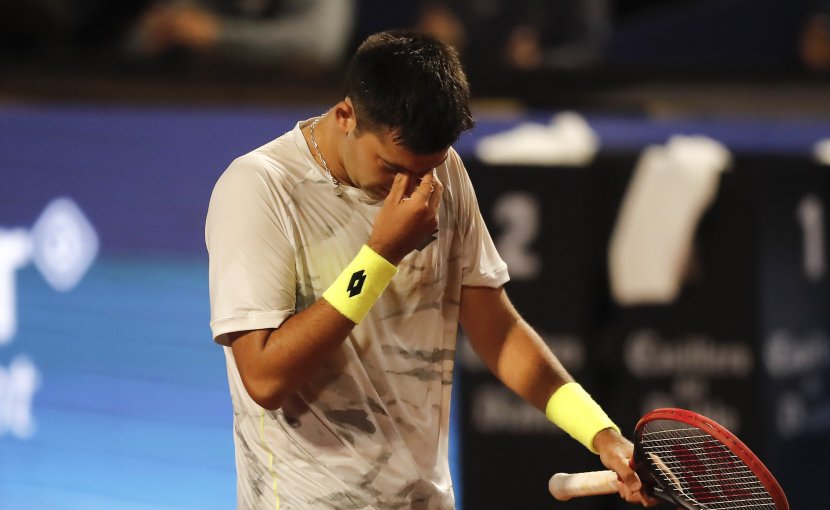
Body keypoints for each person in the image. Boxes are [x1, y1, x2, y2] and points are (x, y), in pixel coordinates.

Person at [205, 30, 652, 509]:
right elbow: (266, 380)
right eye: (392, 167)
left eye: (428, 169)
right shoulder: (258, 190)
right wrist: (380, 256)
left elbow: (497, 331)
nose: (414, 187)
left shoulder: (445, 174)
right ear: (345, 116)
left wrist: (600, 433)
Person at [128, 0, 355, 69]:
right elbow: (139, 42)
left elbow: (318, 45)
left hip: (291, 110)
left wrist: (217, 35)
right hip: (196, 107)